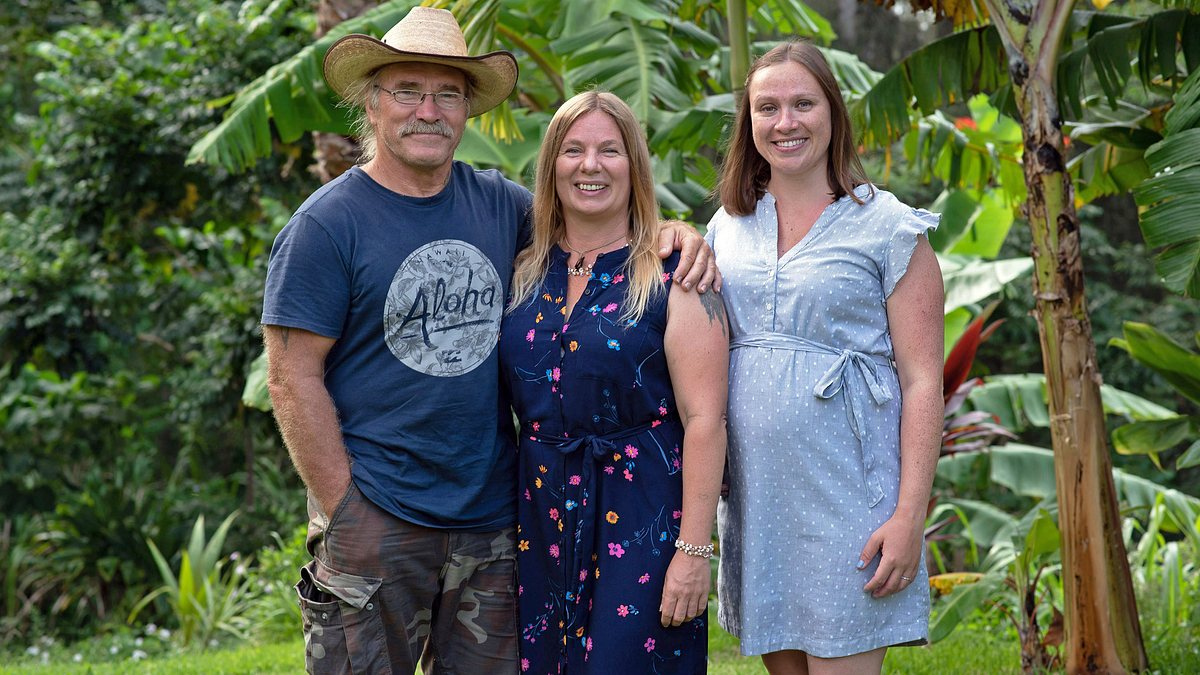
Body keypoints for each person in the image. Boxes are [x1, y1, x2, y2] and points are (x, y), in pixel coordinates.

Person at [261, 8, 716, 674]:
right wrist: (346, 508)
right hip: (378, 515)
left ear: (467, 109)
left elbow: (595, 225)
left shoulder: (503, 207)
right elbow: (290, 376)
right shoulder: (327, 225)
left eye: (448, 93)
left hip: (494, 526)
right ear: (373, 101)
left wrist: (676, 232)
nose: (428, 110)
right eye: (408, 91)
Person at [707, 40, 944, 674]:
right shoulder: (727, 227)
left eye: (802, 104)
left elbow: (924, 381)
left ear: (833, 113)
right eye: (767, 107)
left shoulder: (889, 228)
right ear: (749, 122)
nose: (785, 123)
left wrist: (909, 515)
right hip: (758, 500)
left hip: (851, 497)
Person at [498, 91, 729, 674]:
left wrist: (694, 552)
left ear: (635, 166)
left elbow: (706, 420)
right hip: (539, 512)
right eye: (573, 150)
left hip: (643, 513)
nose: (591, 165)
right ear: (552, 165)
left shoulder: (677, 272)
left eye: (609, 150)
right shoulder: (523, 268)